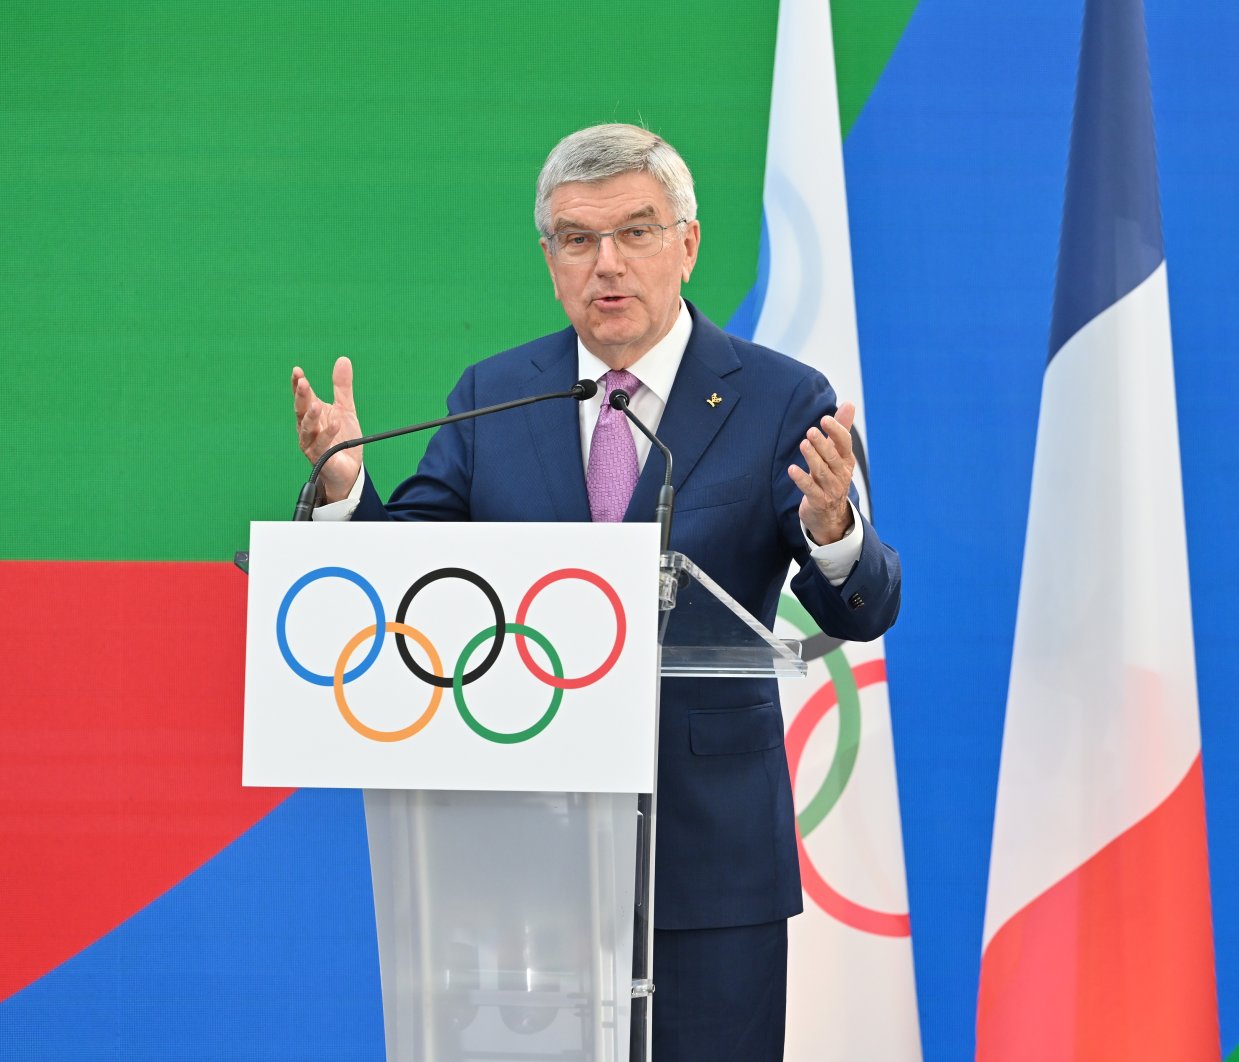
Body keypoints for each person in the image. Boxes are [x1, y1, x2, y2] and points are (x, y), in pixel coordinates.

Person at [290, 123, 901, 1061]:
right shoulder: (497, 395)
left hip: (709, 858)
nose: (606, 264)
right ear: (550, 257)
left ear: (688, 244)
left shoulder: (778, 397)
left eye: (637, 232)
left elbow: (864, 608)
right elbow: (409, 582)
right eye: (577, 239)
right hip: (521, 863)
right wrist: (345, 494)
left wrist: (829, 530)